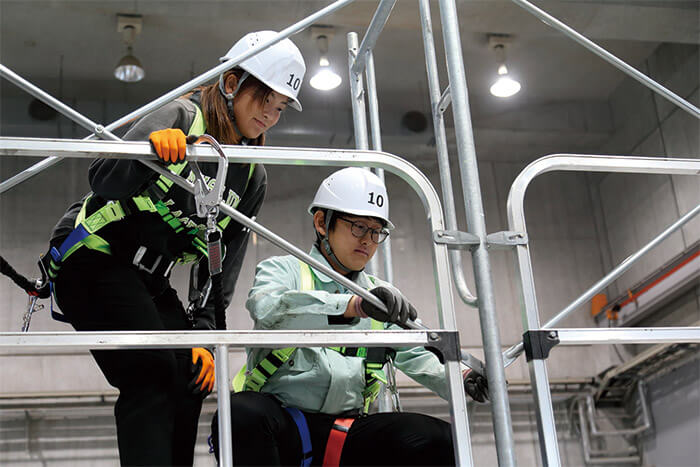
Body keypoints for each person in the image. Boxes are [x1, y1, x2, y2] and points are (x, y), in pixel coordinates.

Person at [43, 31, 305, 466]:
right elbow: (102, 179)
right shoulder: (182, 115)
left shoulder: (249, 176)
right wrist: (151, 154)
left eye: (279, 108)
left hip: (149, 280)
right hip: (91, 257)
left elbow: (222, 263)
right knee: (152, 374)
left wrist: (202, 335)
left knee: (189, 376)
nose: (269, 116)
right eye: (264, 99)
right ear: (230, 83)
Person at [210, 167, 489, 466]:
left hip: (345, 434)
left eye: (376, 231)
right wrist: (353, 306)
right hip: (281, 427)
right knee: (238, 413)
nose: (368, 240)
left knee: (440, 440)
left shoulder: (380, 294)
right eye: (358, 227)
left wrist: (465, 378)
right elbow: (267, 308)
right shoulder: (283, 270)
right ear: (321, 222)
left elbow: (417, 355)